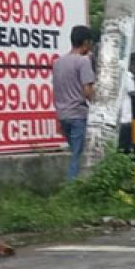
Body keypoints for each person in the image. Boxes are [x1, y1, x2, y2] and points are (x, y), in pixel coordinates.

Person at [51, 25, 96, 180]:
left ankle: (75, 185)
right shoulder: (83, 62)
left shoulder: (58, 63)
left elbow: (55, 90)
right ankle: (72, 191)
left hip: (63, 115)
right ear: (86, 42)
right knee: (78, 155)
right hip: (78, 115)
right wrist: (97, 105)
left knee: (74, 153)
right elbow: (87, 90)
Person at [117, 53, 135, 155]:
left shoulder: (119, 74)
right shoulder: (128, 76)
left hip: (118, 118)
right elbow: (134, 94)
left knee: (120, 148)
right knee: (126, 149)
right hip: (126, 118)